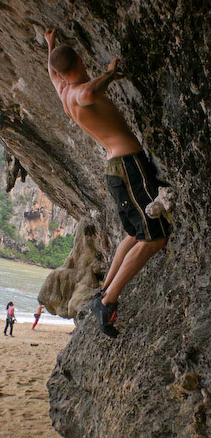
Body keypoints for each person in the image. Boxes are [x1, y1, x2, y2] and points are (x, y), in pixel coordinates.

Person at [44, 28, 170, 338]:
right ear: (81, 60)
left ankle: (104, 290)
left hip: (118, 168)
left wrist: (50, 45)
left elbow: (53, 69)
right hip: (129, 167)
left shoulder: (62, 91)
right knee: (155, 237)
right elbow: (88, 93)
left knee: (133, 232)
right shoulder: (80, 92)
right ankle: (109, 300)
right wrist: (110, 74)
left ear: (60, 71)